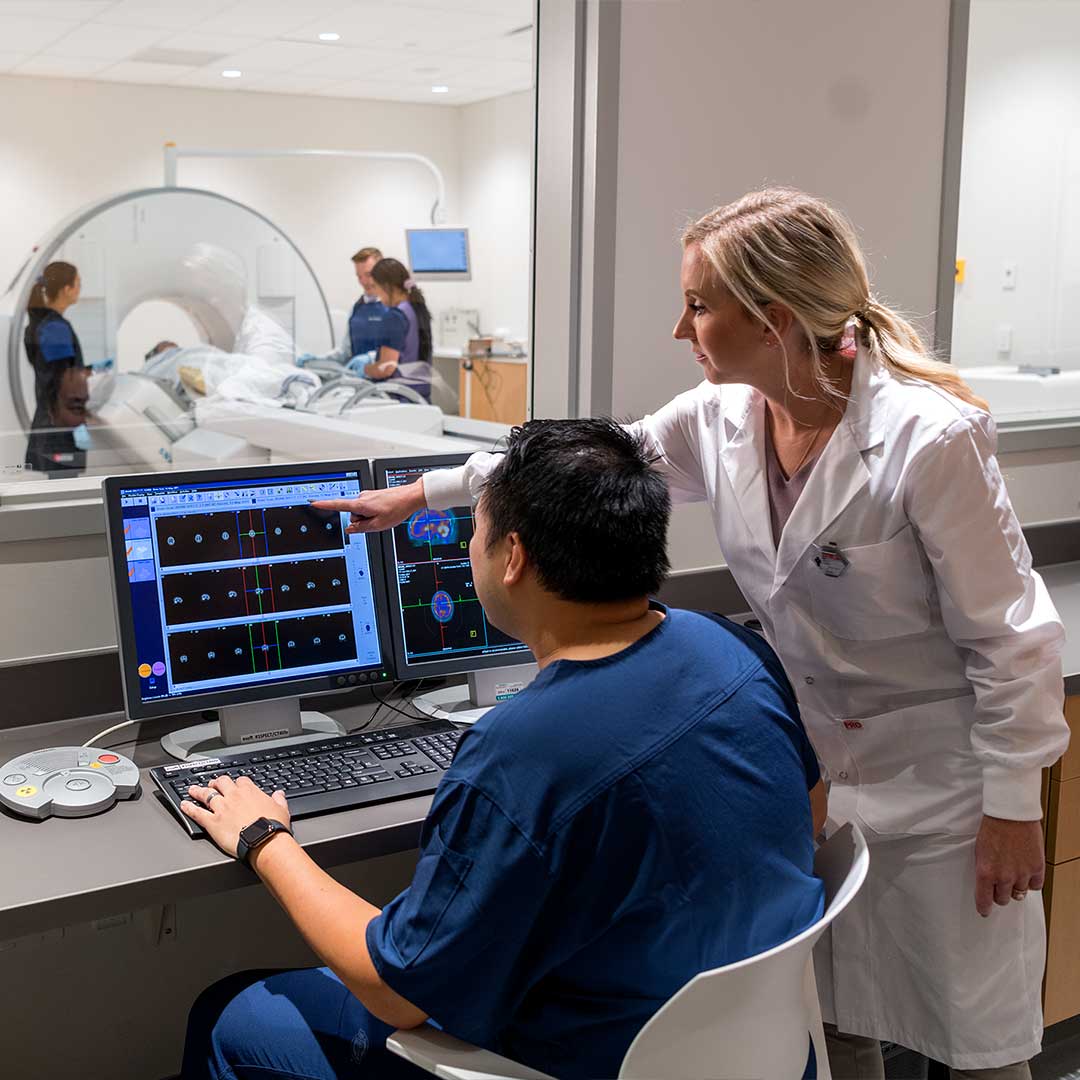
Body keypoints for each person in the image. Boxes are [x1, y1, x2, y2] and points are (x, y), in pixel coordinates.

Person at [338, 188, 1069, 1080]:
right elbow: (580, 468)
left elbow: (1013, 638)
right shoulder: (720, 417)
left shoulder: (930, 438)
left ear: (772, 320)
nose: (680, 329)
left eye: (697, 305)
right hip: (826, 775)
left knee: (979, 1050)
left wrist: (1012, 807)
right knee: (836, 1030)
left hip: (945, 791)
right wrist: (425, 494)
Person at [181, 417, 827, 1080]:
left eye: (477, 529)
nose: (471, 548)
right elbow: (808, 815)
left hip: (585, 1061)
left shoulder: (522, 752)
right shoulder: (736, 651)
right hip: (757, 1054)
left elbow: (395, 991)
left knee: (226, 1013)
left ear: (512, 556)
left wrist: (265, 838)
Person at [23, 261, 89, 476]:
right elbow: (63, 383)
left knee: (58, 491)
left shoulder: (42, 324)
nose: (80, 288)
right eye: (78, 283)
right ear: (66, 289)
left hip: (52, 424)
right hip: (59, 429)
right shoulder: (55, 328)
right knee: (65, 493)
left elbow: (55, 372)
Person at [297, 246, 393, 369]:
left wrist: (371, 358)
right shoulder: (356, 308)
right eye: (359, 276)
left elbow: (403, 351)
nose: (364, 282)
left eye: (368, 275)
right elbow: (345, 353)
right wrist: (318, 359)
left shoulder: (395, 307)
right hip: (361, 382)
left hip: (388, 383)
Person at [365, 256, 436, 400]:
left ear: (386, 286)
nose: (377, 294)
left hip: (397, 400)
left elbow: (386, 368)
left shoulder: (394, 316)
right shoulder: (417, 309)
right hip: (419, 398)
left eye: (376, 287)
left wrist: (364, 369)